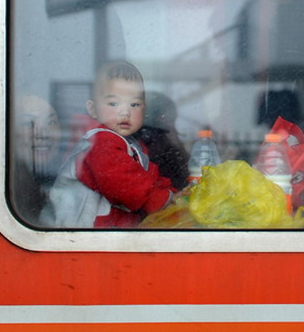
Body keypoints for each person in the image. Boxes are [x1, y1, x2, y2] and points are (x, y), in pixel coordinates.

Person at [41, 61, 178, 228]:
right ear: (92, 109)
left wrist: (172, 194)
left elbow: (146, 176)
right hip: (73, 233)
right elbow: (124, 180)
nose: (125, 112)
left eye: (134, 104)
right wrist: (162, 199)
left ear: (144, 109)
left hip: (105, 235)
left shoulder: (133, 145)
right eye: (113, 104)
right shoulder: (99, 143)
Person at [10, 95, 63, 225]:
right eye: (28, 123)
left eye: (51, 122)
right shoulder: (11, 188)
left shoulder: (63, 177)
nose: (43, 134)